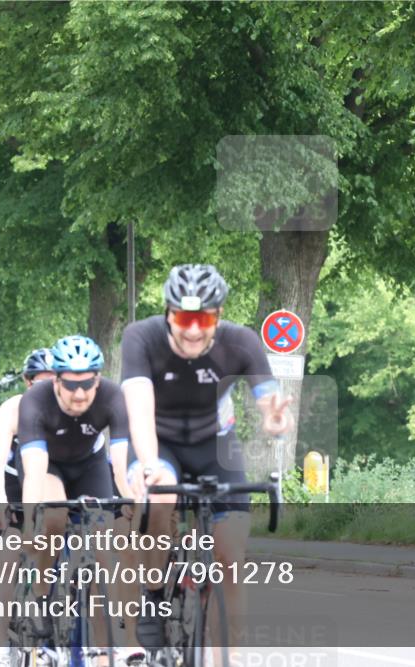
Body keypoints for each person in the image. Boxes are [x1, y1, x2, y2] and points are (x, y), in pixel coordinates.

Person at [121, 264, 293, 656]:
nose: (194, 330)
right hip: (158, 440)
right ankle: (153, 595)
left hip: (215, 443)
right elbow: (139, 413)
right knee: (160, 495)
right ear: (168, 313)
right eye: (184, 318)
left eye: (205, 319)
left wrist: (275, 418)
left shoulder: (241, 342)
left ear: (218, 316)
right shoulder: (140, 338)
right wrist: (149, 466)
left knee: (230, 555)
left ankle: (227, 652)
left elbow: (272, 404)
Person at [17, 335, 131, 666]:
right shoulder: (35, 401)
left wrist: (132, 501)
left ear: (98, 379)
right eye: (70, 384)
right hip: (48, 466)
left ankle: (103, 647)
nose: (79, 393)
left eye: (87, 383)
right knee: (53, 517)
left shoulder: (112, 396)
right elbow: (35, 474)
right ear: (57, 381)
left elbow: (121, 466)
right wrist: (27, 525)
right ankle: (40, 598)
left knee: (102, 545)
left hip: (90, 466)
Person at [0, 348, 56, 667]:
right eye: (41, 382)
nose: (48, 389)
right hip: (13, 486)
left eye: (55, 381)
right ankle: (0, 647)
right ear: (28, 383)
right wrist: (0, 502)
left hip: (49, 486)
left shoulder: (69, 408)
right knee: (8, 560)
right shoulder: (12, 409)